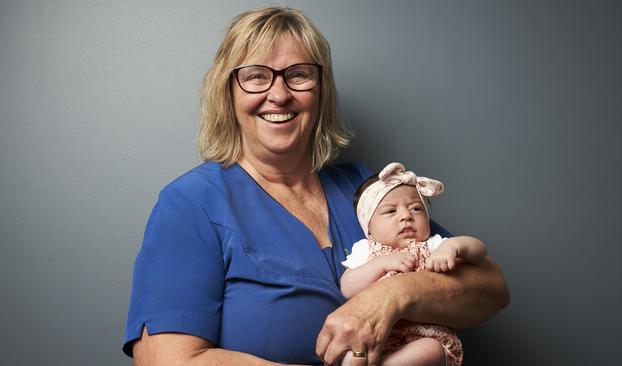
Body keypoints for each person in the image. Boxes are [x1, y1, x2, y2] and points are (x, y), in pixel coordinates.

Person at [123, 6, 510, 366]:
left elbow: (489, 288)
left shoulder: (367, 189)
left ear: (320, 90)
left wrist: (390, 296)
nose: (279, 94)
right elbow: (166, 359)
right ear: (229, 93)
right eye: (256, 76)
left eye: (298, 74)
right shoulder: (191, 204)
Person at [339, 162, 487, 366]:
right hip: (375, 335)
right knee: (352, 353)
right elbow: (347, 287)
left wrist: (455, 246)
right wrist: (380, 265)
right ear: (369, 228)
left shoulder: (434, 245)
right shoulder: (366, 250)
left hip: (424, 337)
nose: (406, 216)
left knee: (431, 349)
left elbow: (480, 251)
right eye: (390, 211)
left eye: (416, 209)